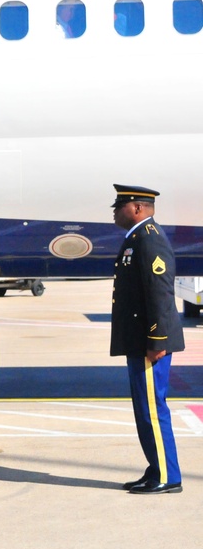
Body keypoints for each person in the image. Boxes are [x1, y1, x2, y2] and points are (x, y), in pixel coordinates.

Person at [111, 184, 185, 495]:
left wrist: (157, 339)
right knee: (144, 409)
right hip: (139, 340)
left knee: (153, 409)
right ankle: (156, 469)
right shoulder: (137, 238)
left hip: (149, 342)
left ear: (138, 208)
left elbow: (159, 292)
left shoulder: (149, 239)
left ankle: (168, 475)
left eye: (120, 205)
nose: (115, 211)